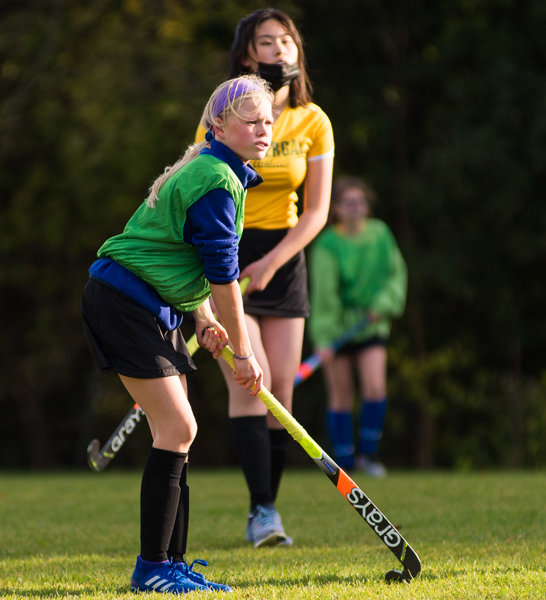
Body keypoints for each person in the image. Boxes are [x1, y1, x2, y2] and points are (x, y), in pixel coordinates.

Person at [81, 74, 273, 594]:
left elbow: (177, 259)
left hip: (149, 305)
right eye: (251, 121)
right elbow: (222, 275)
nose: (263, 130)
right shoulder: (215, 179)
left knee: (178, 436)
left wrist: (205, 320)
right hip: (126, 302)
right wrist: (244, 352)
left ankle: (173, 564)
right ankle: (152, 570)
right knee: (179, 430)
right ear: (218, 126)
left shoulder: (212, 169)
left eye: (268, 121)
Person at [195, 9, 334, 548]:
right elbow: (199, 178)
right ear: (246, 54)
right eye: (266, 42)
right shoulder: (224, 112)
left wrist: (274, 261)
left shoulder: (313, 119)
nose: (279, 50)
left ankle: (267, 508)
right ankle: (261, 513)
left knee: (282, 390)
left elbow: (317, 211)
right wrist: (222, 262)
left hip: (284, 255)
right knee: (248, 386)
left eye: (286, 41)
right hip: (227, 251)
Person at [308, 176, 407, 478]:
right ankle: (343, 464)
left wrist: (383, 305)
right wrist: (324, 338)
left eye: (360, 202)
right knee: (341, 394)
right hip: (338, 330)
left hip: (371, 325)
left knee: (375, 388)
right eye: (348, 203)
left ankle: (368, 456)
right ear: (336, 208)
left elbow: (396, 275)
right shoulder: (328, 243)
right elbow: (324, 293)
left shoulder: (380, 234)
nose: (355, 208)